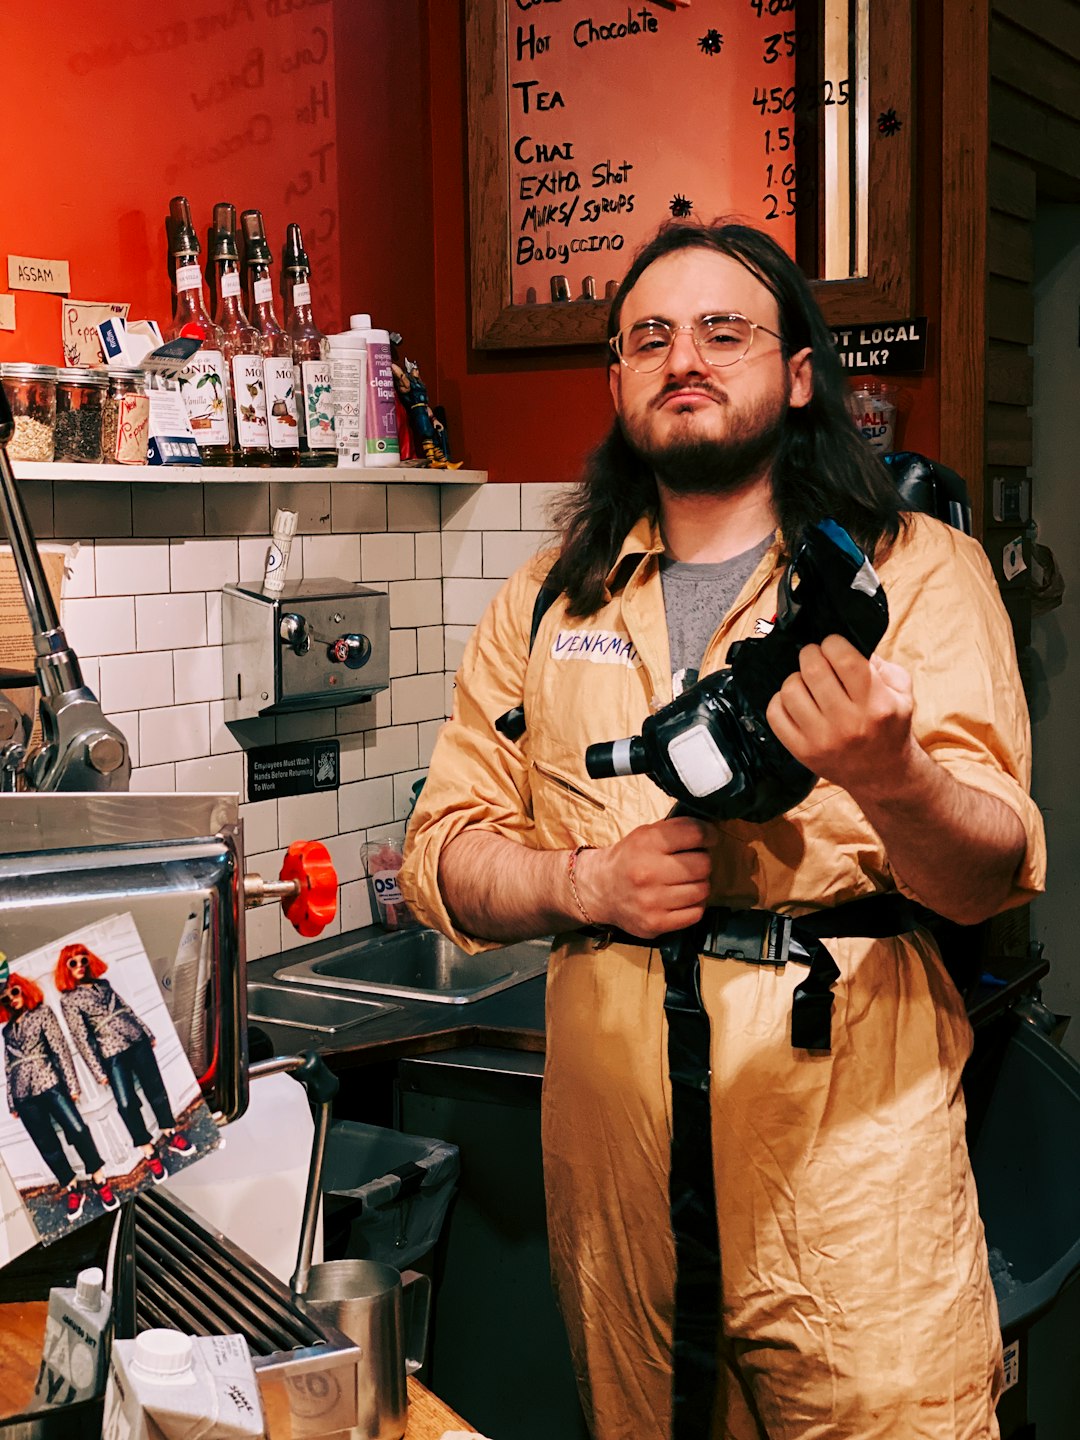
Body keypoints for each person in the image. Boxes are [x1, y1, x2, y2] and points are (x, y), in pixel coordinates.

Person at [400, 221, 1046, 1439]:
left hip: (853, 1202)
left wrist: (892, 776)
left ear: (800, 374)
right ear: (615, 380)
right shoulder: (551, 595)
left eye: (723, 331)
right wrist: (585, 883)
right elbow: (441, 855)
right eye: (649, 336)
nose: (681, 357)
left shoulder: (914, 576)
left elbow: (993, 871)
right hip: (619, 1203)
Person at [54, 944, 193, 1183]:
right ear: (65, 969)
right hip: (110, 1052)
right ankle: (147, 1149)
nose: (79, 966)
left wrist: (146, 1032)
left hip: (135, 1038)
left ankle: (169, 1131)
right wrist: (98, 1071)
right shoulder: (69, 1000)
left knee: (154, 1087)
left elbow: (126, 1008)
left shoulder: (104, 984)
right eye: (73, 963)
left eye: (83, 960)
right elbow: (81, 1038)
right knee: (126, 1102)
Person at [0, 972, 118, 1219]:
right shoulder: (7, 1032)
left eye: (14, 992)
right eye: (4, 998)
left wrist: (72, 1085)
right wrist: (12, 1101)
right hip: (24, 1096)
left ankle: (98, 1178)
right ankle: (71, 1185)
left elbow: (60, 1050)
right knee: (46, 1144)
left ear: (23, 989)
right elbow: (9, 1067)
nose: (11, 999)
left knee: (77, 1129)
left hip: (51, 1083)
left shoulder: (42, 1013)